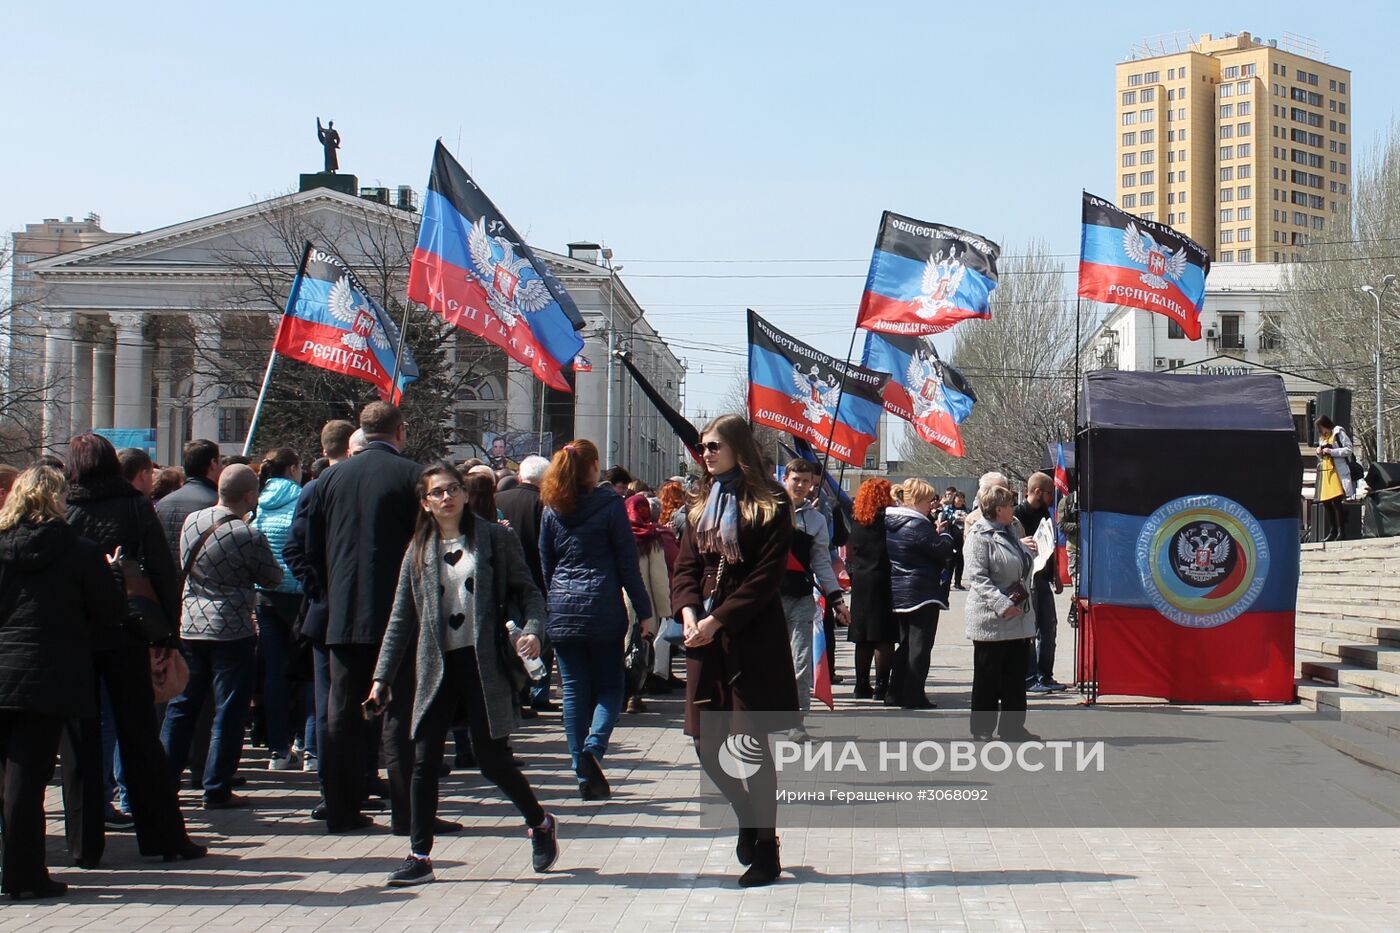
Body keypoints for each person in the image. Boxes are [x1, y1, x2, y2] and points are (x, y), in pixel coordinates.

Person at [369, 462, 558, 886]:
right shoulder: (418, 549)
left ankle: (540, 823)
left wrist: (532, 632)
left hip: (482, 663)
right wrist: (382, 676)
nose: (447, 497)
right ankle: (419, 856)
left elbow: (529, 594)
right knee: (424, 759)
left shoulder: (494, 538)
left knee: (492, 760)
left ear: (466, 494)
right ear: (426, 502)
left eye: (453, 488)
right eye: (437, 492)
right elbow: (401, 618)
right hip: (435, 667)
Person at [59, 433, 205, 868]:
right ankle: (163, 837)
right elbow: (163, 572)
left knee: (81, 744)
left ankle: (84, 846)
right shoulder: (133, 506)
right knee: (140, 738)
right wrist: (166, 636)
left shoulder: (63, 510)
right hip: (130, 634)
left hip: (76, 639)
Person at [671, 414, 796, 888]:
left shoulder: (771, 501)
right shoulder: (701, 500)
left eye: (714, 445)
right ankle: (746, 813)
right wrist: (687, 614)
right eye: (702, 446)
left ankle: (767, 849)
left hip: (751, 635)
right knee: (707, 744)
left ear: (738, 447)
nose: (705, 453)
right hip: (703, 637)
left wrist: (717, 619)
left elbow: (766, 577)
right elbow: (685, 566)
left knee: (751, 747)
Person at [0, 466, 126, 900]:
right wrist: (113, 577)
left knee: (12, 777)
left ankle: (15, 867)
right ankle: (23, 872)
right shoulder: (80, 551)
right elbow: (108, 614)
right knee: (27, 778)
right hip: (50, 673)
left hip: (5, 666)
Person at [304, 403, 421, 833]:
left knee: (341, 712)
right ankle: (407, 814)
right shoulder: (412, 476)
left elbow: (311, 547)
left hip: (342, 611)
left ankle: (340, 809)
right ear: (399, 431)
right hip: (398, 613)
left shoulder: (328, 478)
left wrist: (330, 590)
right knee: (401, 712)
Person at [161, 464, 282, 808]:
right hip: (231, 628)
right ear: (249, 495)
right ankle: (216, 786)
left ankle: (165, 780)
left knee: (182, 705)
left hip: (190, 624)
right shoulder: (247, 534)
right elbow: (271, 577)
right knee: (228, 709)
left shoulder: (192, 522)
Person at [539, 439, 654, 800]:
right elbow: (626, 564)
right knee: (611, 685)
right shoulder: (610, 506)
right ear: (591, 468)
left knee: (573, 690)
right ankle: (593, 749)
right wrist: (644, 611)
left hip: (563, 607)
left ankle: (581, 772)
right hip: (603, 604)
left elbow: (547, 563)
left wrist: (555, 600)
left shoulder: (551, 509)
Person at [282, 420, 355, 811]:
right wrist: (320, 589)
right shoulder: (318, 488)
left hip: (361, 613)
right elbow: (295, 549)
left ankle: (358, 781)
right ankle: (332, 790)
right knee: (331, 704)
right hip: (328, 614)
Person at [779, 460, 847, 736]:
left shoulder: (816, 519)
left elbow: (821, 562)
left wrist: (837, 600)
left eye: (807, 482)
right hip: (766, 598)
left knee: (800, 661)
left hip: (801, 597)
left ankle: (796, 721)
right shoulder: (767, 512)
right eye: (796, 479)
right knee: (768, 660)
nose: (801, 486)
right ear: (785, 478)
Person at [249, 447, 308, 769]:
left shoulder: (257, 501)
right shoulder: (301, 497)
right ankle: (305, 741)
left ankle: (277, 749)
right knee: (305, 672)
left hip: (266, 593)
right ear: (294, 467)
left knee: (274, 672)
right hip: (298, 592)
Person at [964, 485, 1037, 742]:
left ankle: (1013, 727)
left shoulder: (1012, 529)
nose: (1014, 509)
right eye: (1010, 505)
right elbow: (978, 577)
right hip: (991, 618)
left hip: (1018, 616)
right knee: (987, 676)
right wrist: (1002, 603)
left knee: (1015, 677)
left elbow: (1017, 563)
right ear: (998, 509)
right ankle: (982, 728)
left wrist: (1028, 551)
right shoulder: (979, 535)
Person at [885, 479, 955, 710]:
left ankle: (895, 691)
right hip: (922, 590)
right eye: (928, 501)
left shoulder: (893, 521)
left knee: (905, 645)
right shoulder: (916, 524)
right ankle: (914, 694)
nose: (931, 506)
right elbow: (941, 551)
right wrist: (945, 536)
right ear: (915, 501)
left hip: (901, 589)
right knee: (920, 646)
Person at [497, 455, 555, 713]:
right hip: (538, 580)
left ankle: (518, 693)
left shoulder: (497, 501)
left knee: (512, 638)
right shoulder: (547, 505)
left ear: (520, 476)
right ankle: (538, 692)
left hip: (505, 583)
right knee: (539, 638)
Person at [846, 479, 899, 701]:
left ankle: (861, 685)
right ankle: (881, 686)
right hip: (884, 578)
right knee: (884, 637)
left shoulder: (857, 520)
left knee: (863, 636)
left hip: (861, 580)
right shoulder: (889, 521)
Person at [1015, 473, 1067, 694]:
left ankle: (1046, 675)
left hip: (1044, 578)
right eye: (1049, 494)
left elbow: (1050, 545)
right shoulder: (1018, 515)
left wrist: (1056, 575)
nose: (1051, 498)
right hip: (1028, 579)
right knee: (1031, 629)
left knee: (1049, 628)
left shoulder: (1045, 513)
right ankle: (1030, 677)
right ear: (1037, 492)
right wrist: (1019, 543)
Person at [622, 493, 671, 714]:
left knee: (621, 648)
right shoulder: (651, 537)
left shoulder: (618, 535)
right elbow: (659, 578)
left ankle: (619, 694)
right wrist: (664, 610)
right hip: (645, 605)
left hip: (617, 604)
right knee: (641, 650)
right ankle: (635, 694)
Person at [155, 440, 222, 560]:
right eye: (220, 462)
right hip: (198, 576)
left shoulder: (162, 504)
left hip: (166, 575)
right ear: (213, 463)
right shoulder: (216, 503)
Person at [1316, 416, 1355, 541]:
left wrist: (1332, 451)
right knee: (1326, 503)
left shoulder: (1338, 433)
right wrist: (1319, 452)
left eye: (1322, 428)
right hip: (1325, 472)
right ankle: (1332, 530)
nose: (1322, 432)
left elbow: (1349, 449)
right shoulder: (1322, 438)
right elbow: (1322, 458)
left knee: (1336, 502)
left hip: (1336, 472)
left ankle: (1341, 531)